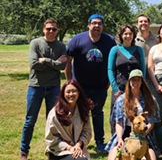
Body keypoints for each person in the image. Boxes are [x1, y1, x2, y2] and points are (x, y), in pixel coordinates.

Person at [65, 14, 116, 151]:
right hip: (80, 86)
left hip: (100, 85)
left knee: (97, 113)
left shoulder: (109, 40)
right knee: (79, 113)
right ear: (89, 25)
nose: (97, 26)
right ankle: (77, 141)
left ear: (102, 26)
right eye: (94, 23)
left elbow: (114, 61)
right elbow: (67, 61)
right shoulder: (77, 40)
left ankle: (100, 142)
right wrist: (69, 81)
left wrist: (109, 82)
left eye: (99, 23)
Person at [20, 19, 67, 160]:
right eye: (48, 29)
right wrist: (54, 62)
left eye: (54, 29)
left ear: (57, 30)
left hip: (53, 87)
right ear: (43, 29)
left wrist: (45, 60)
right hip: (36, 86)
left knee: (53, 120)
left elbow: (62, 66)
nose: (51, 31)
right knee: (30, 120)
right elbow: (34, 64)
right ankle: (24, 151)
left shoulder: (60, 45)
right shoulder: (35, 43)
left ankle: (53, 151)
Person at [105, 69, 161, 160]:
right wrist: (119, 138)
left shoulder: (150, 99)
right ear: (129, 82)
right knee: (113, 157)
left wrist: (141, 135)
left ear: (142, 82)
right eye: (133, 79)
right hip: (125, 133)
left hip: (144, 133)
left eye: (138, 80)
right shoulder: (121, 100)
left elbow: (151, 122)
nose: (135, 82)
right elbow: (119, 123)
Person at [108, 23, 145, 135]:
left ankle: (137, 136)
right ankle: (117, 139)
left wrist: (141, 88)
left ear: (134, 35)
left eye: (130, 34)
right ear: (121, 35)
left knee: (135, 113)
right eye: (125, 34)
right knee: (117, 116)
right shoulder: (115, 50)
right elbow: (110, 70)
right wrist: (115, 89)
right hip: (119, 88)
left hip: (135, 88)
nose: (128, 36)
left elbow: (143, 70)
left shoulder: (139, 50)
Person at [45, 80, 94, 160]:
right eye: (68, 92)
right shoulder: (55, 113)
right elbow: (51, 139)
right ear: (63, 94)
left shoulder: (83, 110)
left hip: (78, 149)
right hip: (59, 151)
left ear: (79, 92)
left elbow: (87, 132)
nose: (71, 94)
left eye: (74, 91)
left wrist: (78, 145)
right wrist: (69, 148)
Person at [135, 14, 158, 83]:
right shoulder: (133, 40)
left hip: (155, 76)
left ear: (149, 24)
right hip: (138, 75)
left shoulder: (157, 39)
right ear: (137, 24)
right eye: (141, 21)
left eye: (145, 21)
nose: (143, 23)